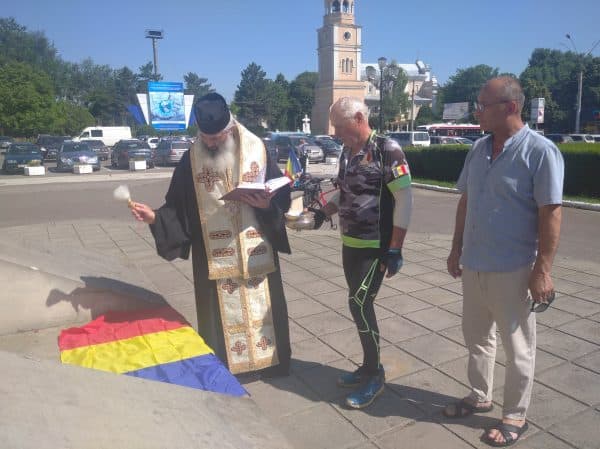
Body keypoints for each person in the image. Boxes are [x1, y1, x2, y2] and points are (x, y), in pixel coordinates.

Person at [131, 93, 292, 378]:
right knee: (219, 320)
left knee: (264, 306)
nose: (212, 143)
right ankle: (227, 367)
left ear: (229, 128)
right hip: (214, 253)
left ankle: (272, 364)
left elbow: (281, 194)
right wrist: (155, 218)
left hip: (256, 247)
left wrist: (268, 204)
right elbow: (177, 207)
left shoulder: (258, 148)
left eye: (217, 138)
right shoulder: (191, 159)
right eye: (206, 138)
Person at [444, 77, 564, 447]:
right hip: (475, 263)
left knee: (518, 346)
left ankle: (515, 416)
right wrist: (455, 247)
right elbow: (466, 200)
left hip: (514, 268)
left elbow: (551, 213)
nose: (476, 112)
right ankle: (480, 394)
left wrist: (542, 269)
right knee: (476, 337)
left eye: (483, 105)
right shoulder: (478, 149)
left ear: (510, 108)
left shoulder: (540, 152)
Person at [311, 97, 413, 409]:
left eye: (340, 127)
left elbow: (405, 200)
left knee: (359, 303)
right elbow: (344, 192)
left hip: (376, 246)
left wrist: (395, 248)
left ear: (358, 118)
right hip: (350, 244)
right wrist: (320, 213)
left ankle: (376, 374)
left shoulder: (387, 149)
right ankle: (368, 367)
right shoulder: (347, 151)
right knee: (358, 305)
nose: (337, 133)